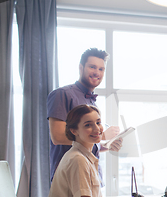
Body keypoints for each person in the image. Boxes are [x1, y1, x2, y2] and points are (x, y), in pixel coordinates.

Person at [47, 48, 121, 181]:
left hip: (92, 176)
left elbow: (85, 144)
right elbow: (57, 137)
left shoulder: (92, 101)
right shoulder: (62, 94)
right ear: (81, 68)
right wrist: (102, 135)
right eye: (92, 67)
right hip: (69, 178)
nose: (97, 72)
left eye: (101, 69)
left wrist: (107, 145)